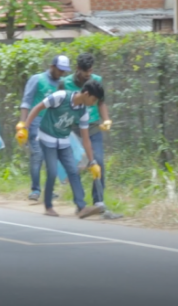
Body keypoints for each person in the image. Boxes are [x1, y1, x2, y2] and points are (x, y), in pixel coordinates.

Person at [16, 81, 105, 217]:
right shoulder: (61, 96)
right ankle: (48, 206)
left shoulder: (83, 112)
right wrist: (25, 127)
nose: (93, 103)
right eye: (93, 99)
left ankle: (81, 207)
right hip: (46, 138)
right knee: (52, 172)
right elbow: (38, 107)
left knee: (73, 172)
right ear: (86, 94)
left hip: (63, 142)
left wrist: (92, 161)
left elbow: (86, 139)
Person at [62, 53, 121, 219]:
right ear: (78, 69)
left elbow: (101, 102)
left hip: (93, 126)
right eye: (84, 72)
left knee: (98, 163)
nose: (88, 75)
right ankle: (80, 204)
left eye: (90, 72)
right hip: (74, 130)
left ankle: (99, 203)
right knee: (76, 167)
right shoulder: (66, 83)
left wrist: (107, 119)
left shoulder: (97, 80)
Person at [17, 55, 71, 202]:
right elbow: (26, 102)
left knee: (51, 157)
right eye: (60, 70)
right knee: (37, 155)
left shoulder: (62, 83)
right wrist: (23, 125)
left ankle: (49, 190)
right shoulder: (37, 79)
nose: (62, 73)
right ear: (52, 66)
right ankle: (35, 190)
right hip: (36, 121)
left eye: (64, 71)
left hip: (54, 124)